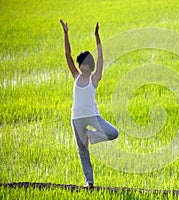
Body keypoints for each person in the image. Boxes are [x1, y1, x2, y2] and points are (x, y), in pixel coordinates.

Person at [60, 19, 118, 189]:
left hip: (93, 116)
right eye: (80, 63)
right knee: (82, 152)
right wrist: (65, 33)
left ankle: (90, 137)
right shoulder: (76, 76)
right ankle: (89, 183)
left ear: (89, 65)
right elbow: (67, 55)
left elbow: (100, 57)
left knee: (112, 132)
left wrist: (97, 36)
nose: (81, 65)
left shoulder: (95, 78)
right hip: (77, 117)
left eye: (85, 63)